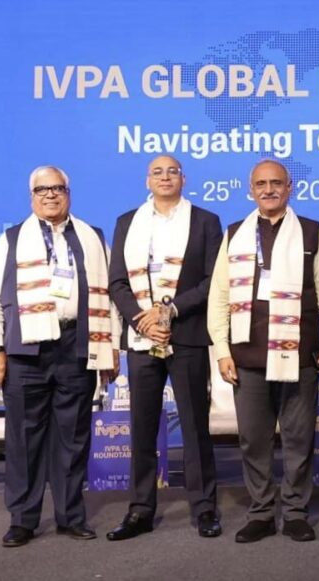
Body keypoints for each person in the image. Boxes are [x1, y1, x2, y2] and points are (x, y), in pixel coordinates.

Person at [0, 166, 119, 547]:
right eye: (42, 190)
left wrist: (111, 346)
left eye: (57, 188)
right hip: (25, 352)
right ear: (32, 197)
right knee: (24, 439)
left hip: (76, 345)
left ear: (68, 193)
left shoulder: (92, 237)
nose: (50, 195)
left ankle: (71, 515)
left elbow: (111, 297)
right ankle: (23, 520)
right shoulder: (11, 240)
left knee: (73, 438)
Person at [207, 159, 319, 543]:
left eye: (276, 182)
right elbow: (220, 296)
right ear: (251, 190)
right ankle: (261, 512)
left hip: (300, 357)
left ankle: (295, 512)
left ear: (289, 188)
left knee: (298, 439)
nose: (269, 189)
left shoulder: (311, 232)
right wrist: (222, 350)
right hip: (248, 356)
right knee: (253, 440)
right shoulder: (235, 234)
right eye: (261, 184)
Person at [106, 155, 223, 540]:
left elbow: (212, 281)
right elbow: (117, 282)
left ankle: (204, 507)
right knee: (142, 428)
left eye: (172, 171)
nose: (165, 177)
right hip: (143, 339)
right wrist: (142, 319)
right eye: (157, 172)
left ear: (183, 179)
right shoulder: (127, 222)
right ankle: (140, 509)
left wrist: (171, 311)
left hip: (185, 335)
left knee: (194, 426)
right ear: (147, 180)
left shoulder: (205, 221)